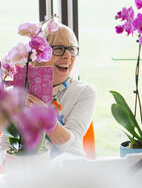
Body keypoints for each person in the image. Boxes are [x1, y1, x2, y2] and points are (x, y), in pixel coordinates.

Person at [0, 23, 96, 157]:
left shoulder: (84, 92)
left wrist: (46, 117)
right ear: (38, 55)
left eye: (72, 49)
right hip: (27, 170)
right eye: (58, 48)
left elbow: (70, 145)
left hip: (69, 169)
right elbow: (5, 147)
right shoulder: (21, 91)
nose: (68, 56)